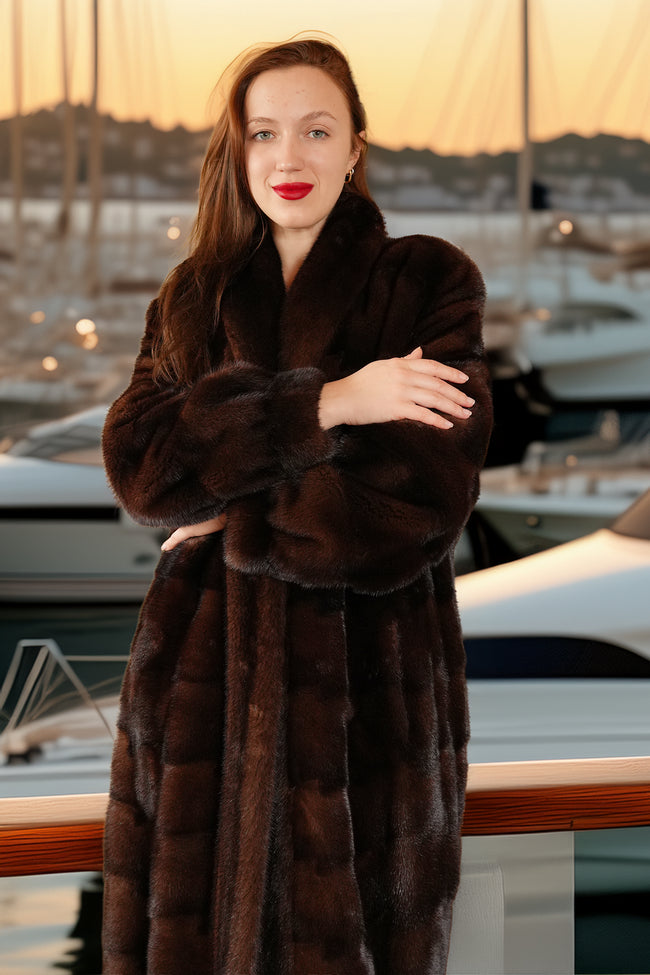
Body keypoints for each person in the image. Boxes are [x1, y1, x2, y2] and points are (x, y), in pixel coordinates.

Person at [101, 36, 493, 975]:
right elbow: (143, 470)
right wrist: (333, 403)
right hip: (198, 704)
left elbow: (411, 509)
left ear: (356, 145)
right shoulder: (193, 298)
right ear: (237, 151)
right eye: (264, 133)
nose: (289, 158)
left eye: (317, 131)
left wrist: (227, 502)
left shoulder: (428, 281)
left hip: (375, 704)